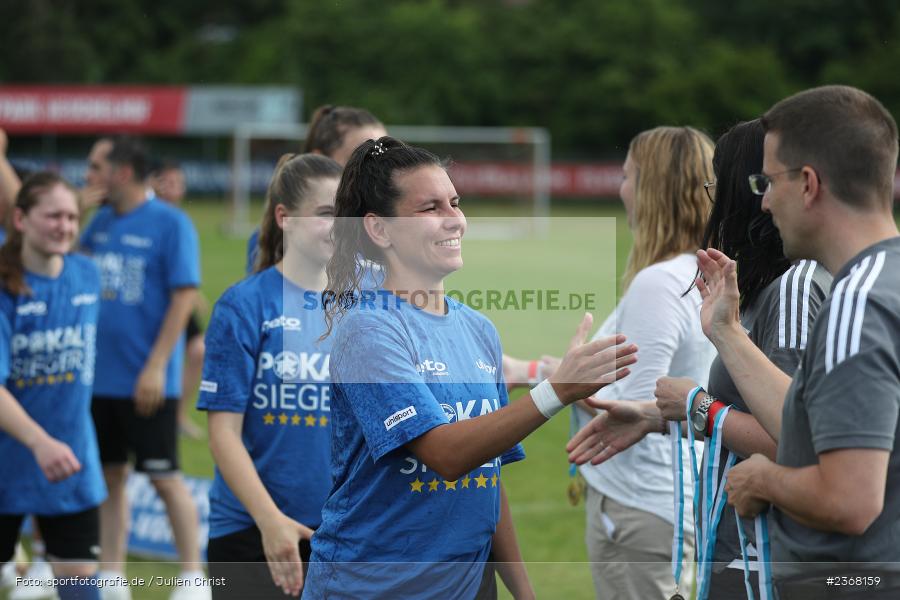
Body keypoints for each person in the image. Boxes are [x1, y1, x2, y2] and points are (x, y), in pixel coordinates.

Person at [303, 136, 638, 599]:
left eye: (455, 203)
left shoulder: (478, 329)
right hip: (372, 587)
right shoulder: (368, 330)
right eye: (430, 208)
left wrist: (524, 593)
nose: (454, 219)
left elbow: (487, 476)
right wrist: (556, 390)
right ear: (379, 230)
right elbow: (447, 456)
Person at [568, 120, 832, 598]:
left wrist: (693, 403)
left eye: (720, 184)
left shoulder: (792, 286)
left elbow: (795, 438)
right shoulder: (753, 282)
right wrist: (655, 416)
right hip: (725, 525)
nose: (712, 199)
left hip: (758, 545)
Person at [695, 85, 900, 598]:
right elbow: (811, 422)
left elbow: (850, 500)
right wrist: (727, 333)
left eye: (768, 181)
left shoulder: (859, 303)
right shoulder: (884, 280)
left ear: (808, 183)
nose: (761, 200)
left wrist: (761, 480)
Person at [561, 126, 717, 599]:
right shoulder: (700, 269)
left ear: (652, 190)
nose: (620, 188)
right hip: (675, 500)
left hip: (640, 509)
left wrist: (563, 382)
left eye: (627, 176)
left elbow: (635, 407)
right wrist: (535, 372)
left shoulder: (660, 282)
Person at [198, 153, 343, 598]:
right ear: (285, 218)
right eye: (325, 214)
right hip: (250, 531)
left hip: (341, 533)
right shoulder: (244, 304)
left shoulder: (366, 305)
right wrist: (269, 521)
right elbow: (223, 433)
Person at [79, 137, 207, 600]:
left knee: (163, 477)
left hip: (148, 381)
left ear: (123, 172)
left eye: (96, 167)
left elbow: (184, 295)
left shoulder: (170, 223)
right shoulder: (100, 222)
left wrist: (156, 367)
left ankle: (193, 577)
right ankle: (111, 576)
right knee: (110, 476)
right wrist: (75, 210)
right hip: (101, 379)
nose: (89, 176)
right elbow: (67, 264)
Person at [0, 172, 106, 600]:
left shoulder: (85, 274)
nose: (64, 226)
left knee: (80, 582)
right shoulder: (5, 289)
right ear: (21, 219)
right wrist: (39, 442)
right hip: (10, 462)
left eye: (71, 217)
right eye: (53, 216)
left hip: (71, 460)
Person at [245, 105, 386, 275]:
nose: (377, 170)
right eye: (361, 158)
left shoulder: (389, 228)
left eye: (383, 157)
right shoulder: (281, 233)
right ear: (320, 160)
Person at [151, 160, 206, 440]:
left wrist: (193, 296)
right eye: (168, 181)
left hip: (178, 300)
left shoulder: (179, 220)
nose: (175, 188)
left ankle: (178, 415)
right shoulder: (149, 217)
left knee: (198, 350)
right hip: (156, 304)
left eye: (179, 182)